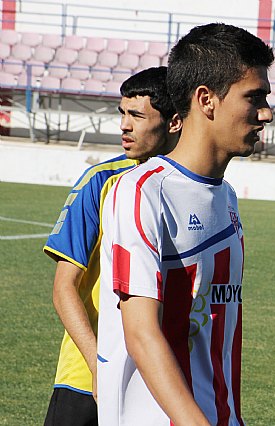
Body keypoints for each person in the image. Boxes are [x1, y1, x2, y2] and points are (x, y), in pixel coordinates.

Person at [97, 23, 273, 425]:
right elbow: (141, 332)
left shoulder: (224, 195)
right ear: (206, 100)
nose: (266, 113)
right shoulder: (142, 191)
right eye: (254, 97)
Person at [43, 66, 182, 426]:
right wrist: (97, 366)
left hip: (162, 373)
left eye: (136, 115)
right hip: (85, 376)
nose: (123, 125)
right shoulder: (100, 181)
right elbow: (64, 288)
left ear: (174, 122)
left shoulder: (190, 188)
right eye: (122, 113)